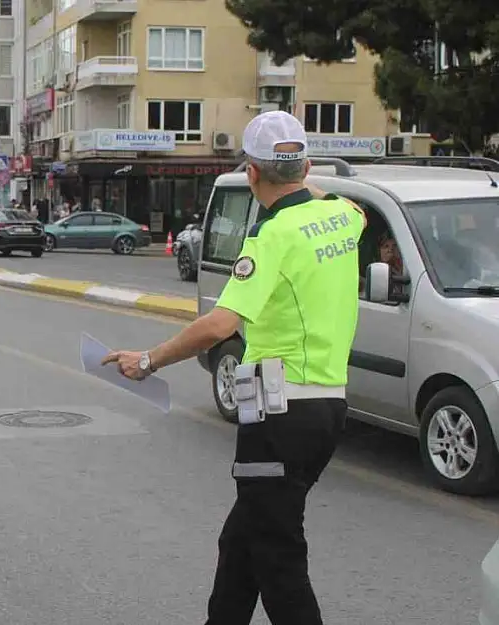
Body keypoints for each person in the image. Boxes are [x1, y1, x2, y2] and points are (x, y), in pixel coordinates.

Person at [102, 110, 365, 625]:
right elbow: (354, 205)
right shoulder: (342, 217)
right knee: (243, 538)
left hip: (279, 419)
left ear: (251, 173)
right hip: (326, 409)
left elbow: (219, 324)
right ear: (305, 166)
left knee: (277, 553)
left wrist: (148, 360)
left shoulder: (273, 237)